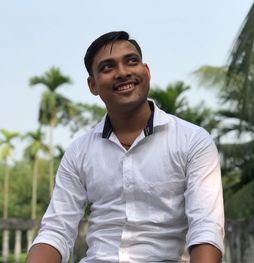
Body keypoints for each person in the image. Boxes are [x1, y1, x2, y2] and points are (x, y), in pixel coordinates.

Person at [26, 31, 225, 263]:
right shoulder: (79, 152)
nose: (122, 72)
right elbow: (56, 230)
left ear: (146, 71)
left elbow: (206, 228)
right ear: (93, 85)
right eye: (108, 67)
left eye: (132, 61)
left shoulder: (192, 141)